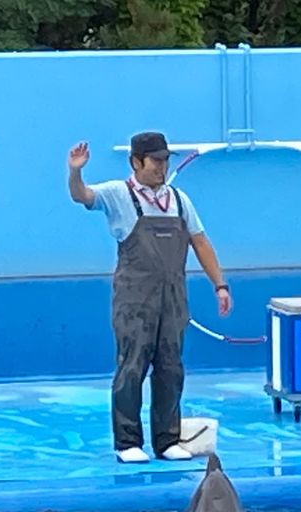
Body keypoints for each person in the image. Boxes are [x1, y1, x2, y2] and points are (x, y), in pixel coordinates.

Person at [67, 131, 233, 463]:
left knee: (171, 368)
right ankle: (128, 442)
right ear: (136, 162)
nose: (162, 167)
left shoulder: (179, 200)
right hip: (134, 300)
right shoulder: (118, 194)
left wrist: (220, 285)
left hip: (172, 299)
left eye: (165, 160)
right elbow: (81, 196)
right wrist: (75, 171)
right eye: (155, 160)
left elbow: (200, 242)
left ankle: (167, 439)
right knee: (132, 367)